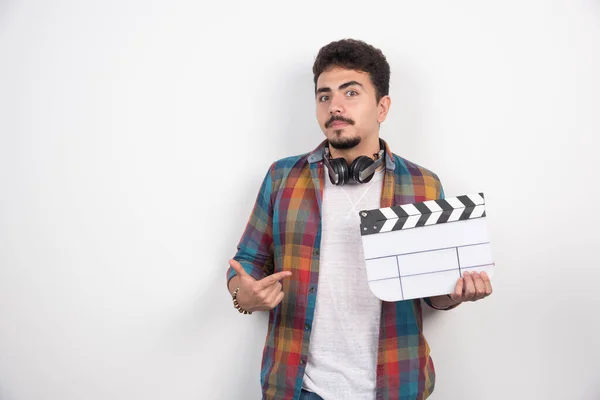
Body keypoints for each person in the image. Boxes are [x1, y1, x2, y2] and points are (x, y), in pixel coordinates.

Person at [225, 39, 493, 400]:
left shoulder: (423, 185)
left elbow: (435, 297)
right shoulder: (282, 177)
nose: (335, 106)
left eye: (351, 93)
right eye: (324, 96)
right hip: (299, 388)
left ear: (382, 107)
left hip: (396, 387)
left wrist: (458, 293)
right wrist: (245, 296)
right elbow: (246, 264)